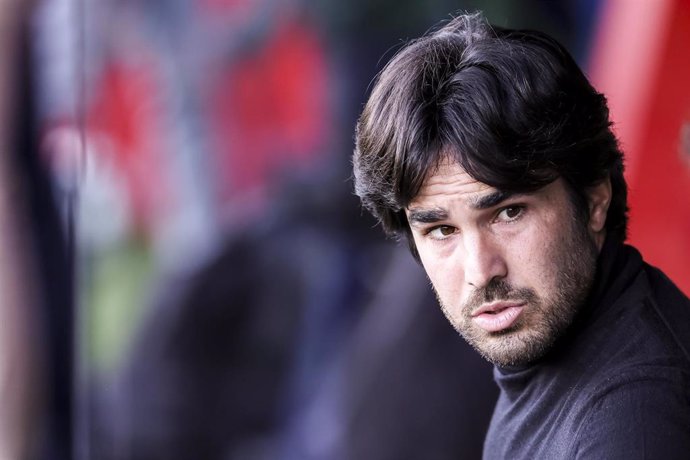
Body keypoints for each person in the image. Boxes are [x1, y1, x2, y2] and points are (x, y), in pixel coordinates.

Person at [353, 11, 690, 459]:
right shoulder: (559, 359)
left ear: (594, 200)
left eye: (508, 213)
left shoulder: (634, 420)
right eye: (442, 230)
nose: (480, 272)